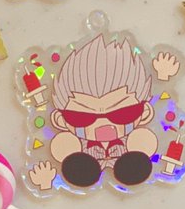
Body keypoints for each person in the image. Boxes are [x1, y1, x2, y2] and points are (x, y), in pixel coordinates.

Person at [48, 36, 158, 187]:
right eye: (82, 118)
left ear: (145, 112)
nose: (103, 126)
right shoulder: (76, 145)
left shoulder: (134, 141)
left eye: (122, 114)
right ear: (60, 120)